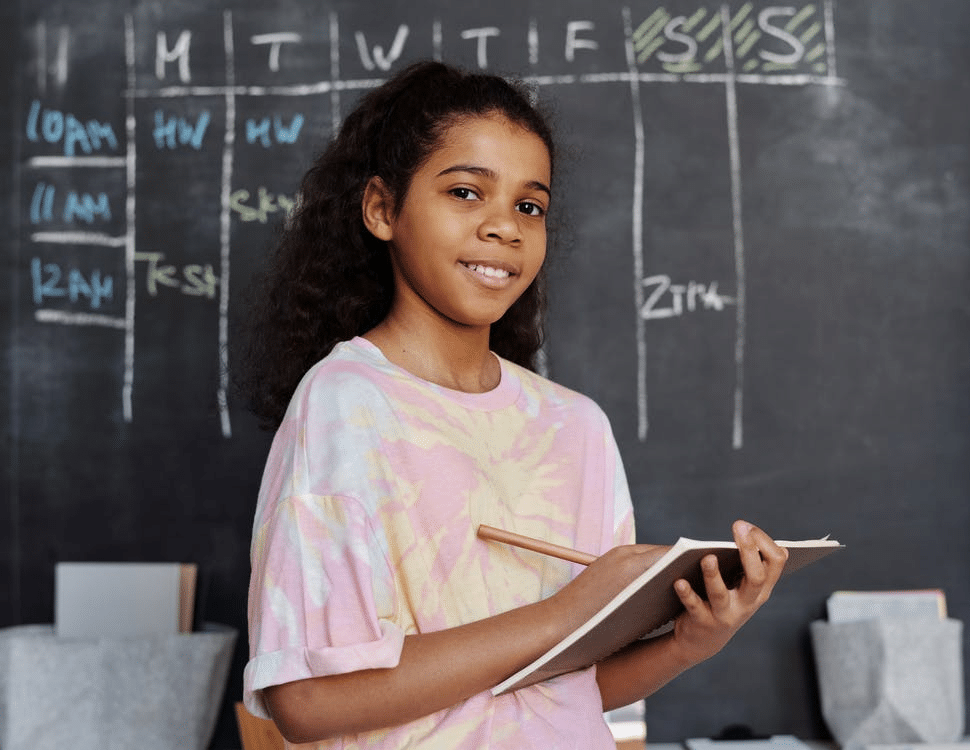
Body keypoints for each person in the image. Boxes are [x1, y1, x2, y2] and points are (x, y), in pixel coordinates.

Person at [237, 60, 788, 749]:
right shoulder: (344, 407)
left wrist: (687, 642)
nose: (505, 228)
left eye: (529, 206)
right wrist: (563, 614)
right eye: (467, 192)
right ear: (382, 208)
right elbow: (307, 702)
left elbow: (571, 689)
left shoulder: (576, 426)